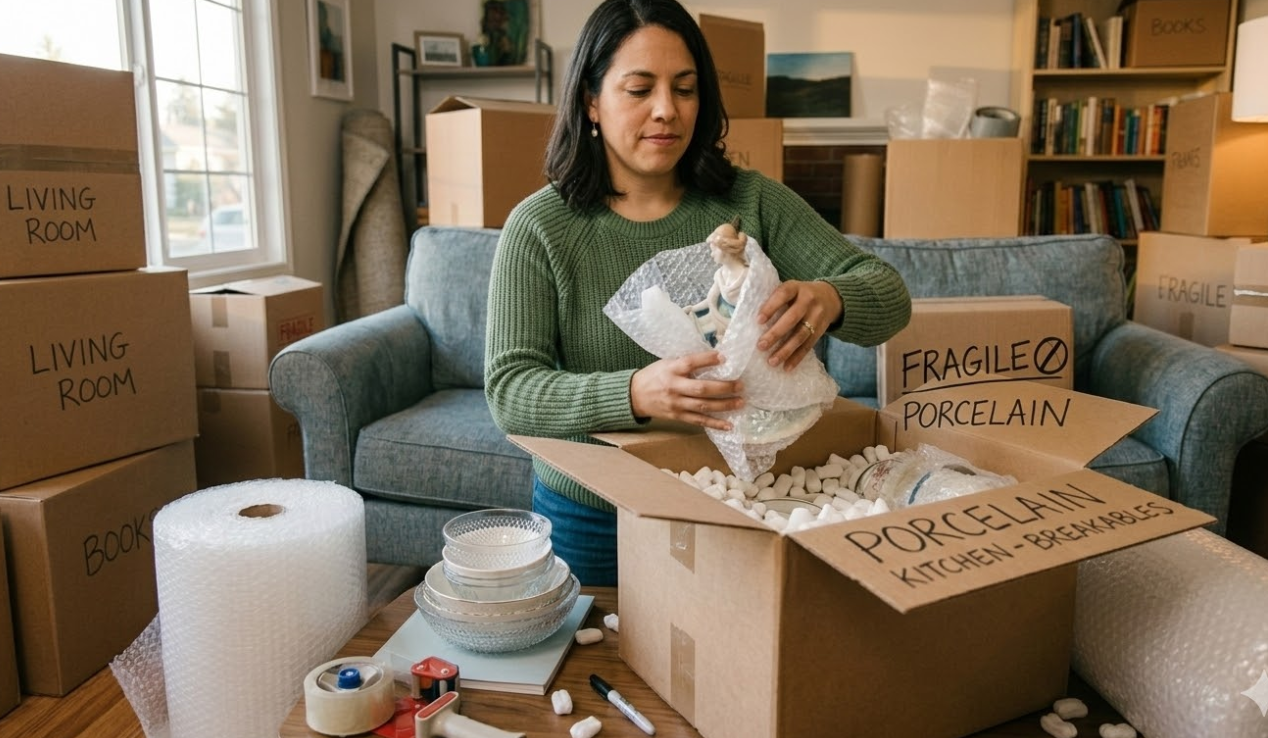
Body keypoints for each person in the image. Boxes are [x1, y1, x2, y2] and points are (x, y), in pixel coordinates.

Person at [484, 0, 911, 586]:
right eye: (639, 89)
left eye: (684, 89)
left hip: (738, 508)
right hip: (592, 514)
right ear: (591, 101)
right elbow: (510, 392)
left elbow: (888, 295)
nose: (666, 111)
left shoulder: (751, 201)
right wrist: (634, 393)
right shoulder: (540, 227)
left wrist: (831, 298)